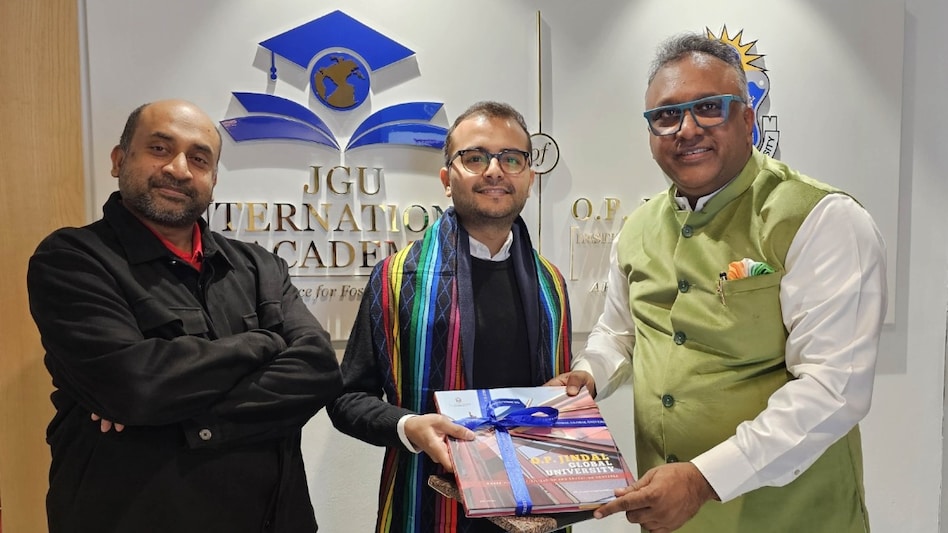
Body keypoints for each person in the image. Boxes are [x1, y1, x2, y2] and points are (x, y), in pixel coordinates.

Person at [549, 34, 887, 533]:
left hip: (794, 517)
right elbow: (619, 331)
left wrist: (704, 479)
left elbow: (832, 390)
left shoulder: (821, 219)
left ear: (748, 118)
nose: (686, 129)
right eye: (666, 116)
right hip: (671, 519)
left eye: (709, 108)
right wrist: (589, 376)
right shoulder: (638, 226)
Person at [27, 99, 343, 533]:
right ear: (120, 160)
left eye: (199, 158)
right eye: (160, 148)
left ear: (212, 180)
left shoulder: (259, 267)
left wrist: (175, 412)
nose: (179, 169)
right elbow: (135, 387)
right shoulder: (73, 259)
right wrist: (264, 345)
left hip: (273, 518)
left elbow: (319, 372)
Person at [327, 101, 573, 533]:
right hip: (429, 504)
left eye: (512, 158)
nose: (495, 170)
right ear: (446, 179)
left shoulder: (551, 283)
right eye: (475, 157)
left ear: (529, 179)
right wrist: (407, 426)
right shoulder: (396, 278)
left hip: (534, 507)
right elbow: (346, 399)